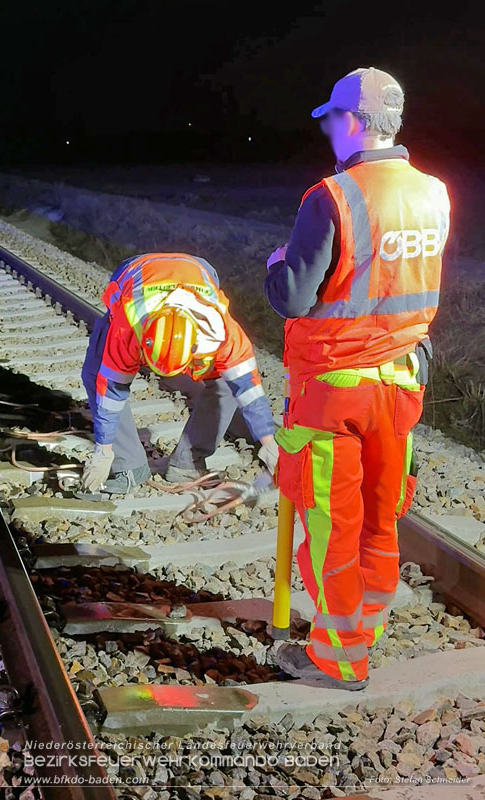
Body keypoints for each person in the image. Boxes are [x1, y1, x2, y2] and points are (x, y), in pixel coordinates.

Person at [265, 67, 450, 690]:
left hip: (334, 389)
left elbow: (294, 297)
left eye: (332, 119)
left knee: (330, 520)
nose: (328, 131)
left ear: (354, 123)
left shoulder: (333, 196)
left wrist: (275, 267)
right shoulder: (435, 192)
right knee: (379, 514)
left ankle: (338, 658)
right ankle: (365, 623)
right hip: (401, 385)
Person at [81, 252, 278, 494]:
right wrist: (103, 451)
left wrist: (268, 441)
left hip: (200, 269)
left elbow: (248, 388)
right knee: (96, 375)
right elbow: (111, 391)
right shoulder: (127, 326)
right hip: (134, 272)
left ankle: (187, 464)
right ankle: (130, 467)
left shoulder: (222, 332)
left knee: (227, 383)